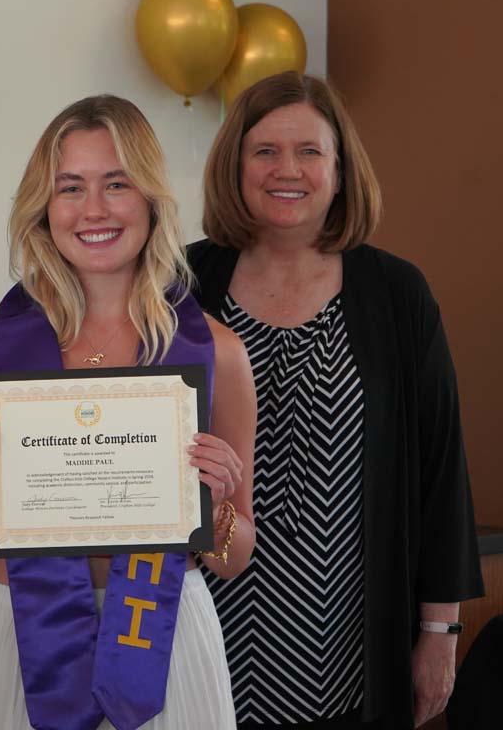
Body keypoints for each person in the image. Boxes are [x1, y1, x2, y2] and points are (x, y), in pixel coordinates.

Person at [0, 95, 258, 730]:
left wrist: (216, 505)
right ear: (43, 208)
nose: (94, 210)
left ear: (150, 200)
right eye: (70, 188)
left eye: (117, 184)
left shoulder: (217, 351)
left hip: (161, 644)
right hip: (18, 641)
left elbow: (234, 553)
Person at [190, 71, 483, 729]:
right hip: (198, 631)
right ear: (235, 167)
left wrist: (441, 633)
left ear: (341, 170)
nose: (285, 169)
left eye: (309, 151)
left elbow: (440, 469)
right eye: (264, 151)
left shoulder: (398, 294)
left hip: (348, 650)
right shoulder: (181, 286)